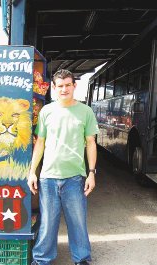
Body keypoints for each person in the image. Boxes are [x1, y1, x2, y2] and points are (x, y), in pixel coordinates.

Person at [28, 69, 99, 265]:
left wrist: (91, 173)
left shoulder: (86, 112)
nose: (64, 89)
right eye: (60, 86)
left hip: (75, 177)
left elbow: (91, 143)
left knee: (77, 222)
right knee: (48, 223)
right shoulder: (46, 111)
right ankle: (42, 260)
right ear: (54, 87)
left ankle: (82, 259)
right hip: (48, 177)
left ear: (74, 86)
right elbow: (40, 143)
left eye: (68, 85)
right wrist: (32, 171)